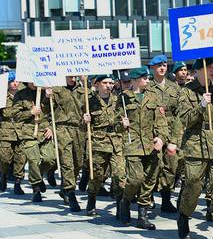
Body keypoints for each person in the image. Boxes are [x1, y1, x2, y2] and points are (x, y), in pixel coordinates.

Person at [176, 57, 213, 239]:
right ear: (199, 70)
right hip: (195, 145)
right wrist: (201, 106)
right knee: (193, 185)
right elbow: (185, 120)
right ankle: (184, 215)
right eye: (210, 68)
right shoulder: (186, 92)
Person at [118, 66, 169, 230]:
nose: (148, 81)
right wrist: (121, 123)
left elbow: (161, 121)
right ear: (135, 80)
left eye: (148, 78)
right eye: (145, 78)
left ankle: (142, 214)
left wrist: (161, 138)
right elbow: (114, 121)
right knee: (136, 179)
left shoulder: (153, 96)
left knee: (149, 181)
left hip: (150, 145)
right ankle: (125, 201)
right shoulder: (124, 98)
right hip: (132, 145)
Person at [82, 74, 126, 217]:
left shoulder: (119, 101)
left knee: (120, 175)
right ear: (97, 84)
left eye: (111, 83)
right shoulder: (90, 102)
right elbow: (81, 128)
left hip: (116, 142)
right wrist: (85, 121)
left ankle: (120, 206)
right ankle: (91, 198)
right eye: (106, 83)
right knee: (97, 175)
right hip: (98, 143)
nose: (109, 86)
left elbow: (121, 122)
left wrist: (124, 124)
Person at [8, 82, 56, 202]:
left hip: (45, 132)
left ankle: (38, 177)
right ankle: (36, 188)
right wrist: (30, 113)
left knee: (50, 159)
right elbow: (15, 115)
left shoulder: (48, 93)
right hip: (29, 133)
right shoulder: (21, 95)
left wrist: (50, 127)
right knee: (34, 161)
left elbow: (55, 114)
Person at [147, 55, 180, 213]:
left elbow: (180, 112)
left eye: (164, 65)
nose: (162, 68)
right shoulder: (147, 87)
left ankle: (166, 198)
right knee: (154, 164)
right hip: (153, 130)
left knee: (170, 165)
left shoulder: (175, 87)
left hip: (171, 128)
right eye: (158, 65)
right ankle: (149, 196)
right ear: (152, 68)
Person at [49, 76, 85, 211]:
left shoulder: (83, 90)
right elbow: (47, 111)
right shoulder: (56, 90)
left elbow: (90, 107)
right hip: (62, 127)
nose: (73, 77)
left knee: (78, 162)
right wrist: (48, 98)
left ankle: (64, 187)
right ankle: (71, 193)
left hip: (79, 129)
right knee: (67, 162)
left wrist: (88, 117)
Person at [0, 71, 26, 195]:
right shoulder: (2, 96)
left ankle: (17, 183)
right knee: (4, 158)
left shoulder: (23, 96)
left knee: (20, 159)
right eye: (12, 82)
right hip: (5, 131)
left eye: (17, 81)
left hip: (21, 130)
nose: (15, 84)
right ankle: (3, 175)